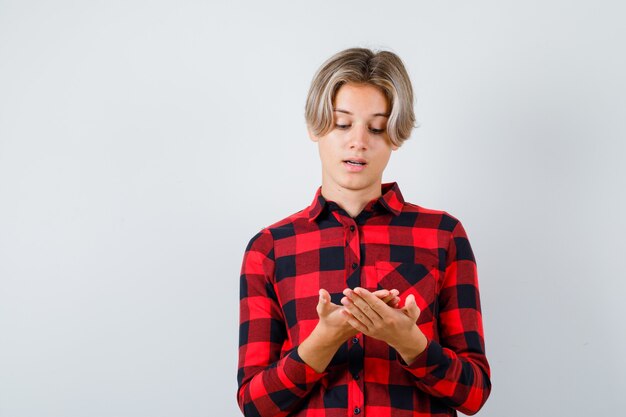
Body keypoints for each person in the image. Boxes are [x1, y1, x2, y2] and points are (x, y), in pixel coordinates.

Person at [237, 47, 491, 417]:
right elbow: (255, 405)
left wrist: (411, 343)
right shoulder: (270, 248)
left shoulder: (443, 235)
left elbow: (474, 394)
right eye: (342, 124)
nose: (359, 141)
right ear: (315, 127)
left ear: (396, 136)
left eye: (376, 128)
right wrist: (322, 343)